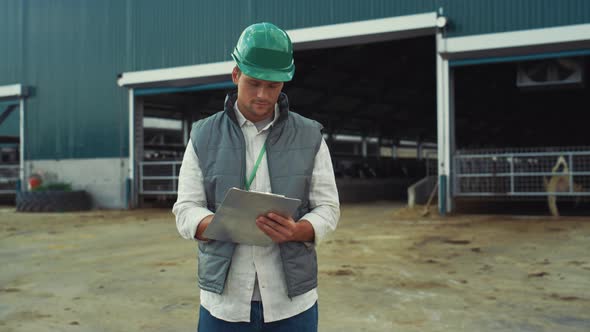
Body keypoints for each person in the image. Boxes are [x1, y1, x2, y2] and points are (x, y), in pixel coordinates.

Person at [172, 22, 340, 331]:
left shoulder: (310, 136)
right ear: (236, 75)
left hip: (292, 303)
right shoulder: (203, 136)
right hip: (224, 303)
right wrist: (219, 225)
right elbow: (185, 208)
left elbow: (328, 208)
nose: (263, 94)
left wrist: (298, 230)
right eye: (253, 83)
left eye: (273, 86)